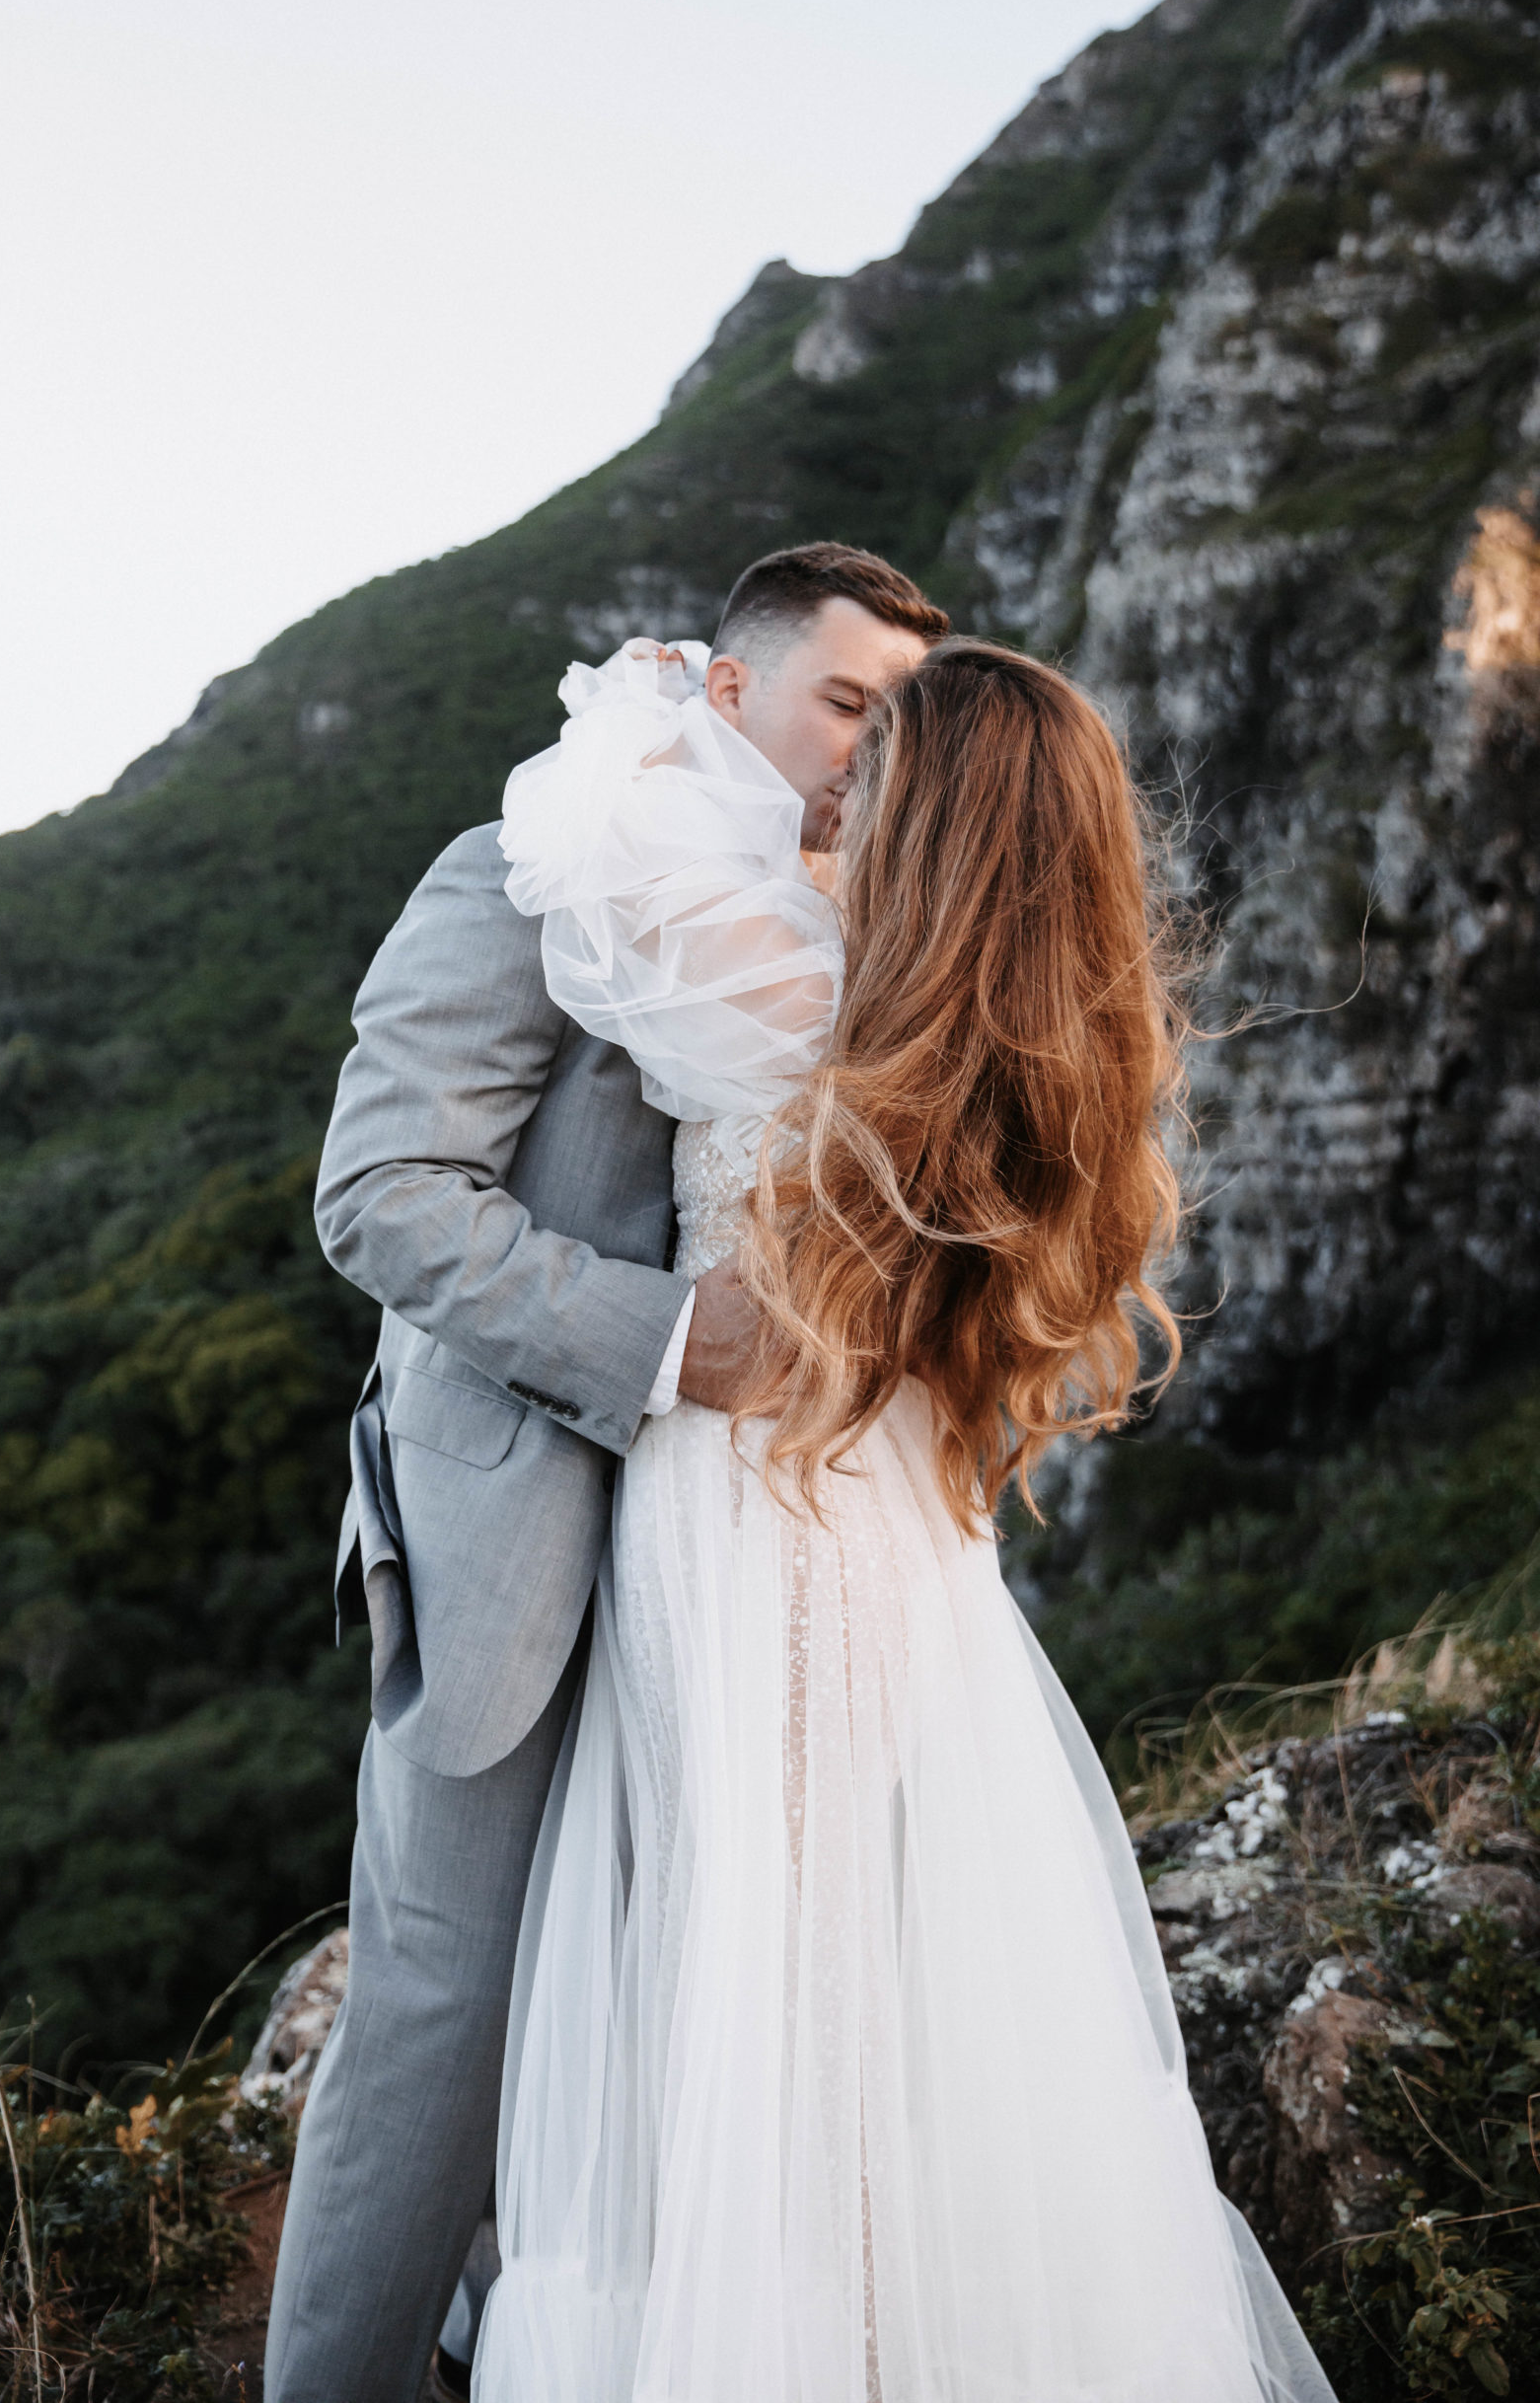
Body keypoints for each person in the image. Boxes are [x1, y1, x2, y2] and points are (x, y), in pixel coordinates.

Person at [472, 636, 1340, 2399]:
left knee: (771, 1995)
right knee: (855, 1985)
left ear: (937, 824)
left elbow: (582, 852)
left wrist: (656, 698)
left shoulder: (797, 992)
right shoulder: (1016, 1045)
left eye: (874, 778)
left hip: (758, 1533)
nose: (832, 799)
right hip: (887, 1534)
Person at [262, 545, 948, 2403]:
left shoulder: (881, 920)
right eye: (845, 702)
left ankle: (530, 2343)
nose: (869, 751)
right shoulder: (538, 859)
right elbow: (380, 1194)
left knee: (683, 1990)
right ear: (729, 688)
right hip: (516, 1521)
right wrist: (668, 1340)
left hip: (750, 1558)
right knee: (448, 2007)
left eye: (901, 719)